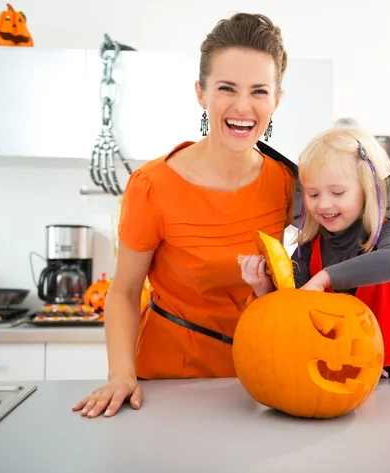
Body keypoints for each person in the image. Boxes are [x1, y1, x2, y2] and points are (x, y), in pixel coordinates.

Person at [72, 12, 295, 419]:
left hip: (260, 379)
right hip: (169, 382)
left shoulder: (286, 182)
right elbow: (123, 293)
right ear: (201, 93)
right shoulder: (152, 185)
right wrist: (121, 374)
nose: (243, 106)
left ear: (276, 99)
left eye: (259, 91)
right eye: (226, 88)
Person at [241, 126, 390, 377]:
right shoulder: (308, 248)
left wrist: (325, 277)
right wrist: (263, 289)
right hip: (350, 362)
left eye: (337, 192)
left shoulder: (388, 232)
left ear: (369, 189)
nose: (323, 204)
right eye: (313, 193)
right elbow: (293, 307)